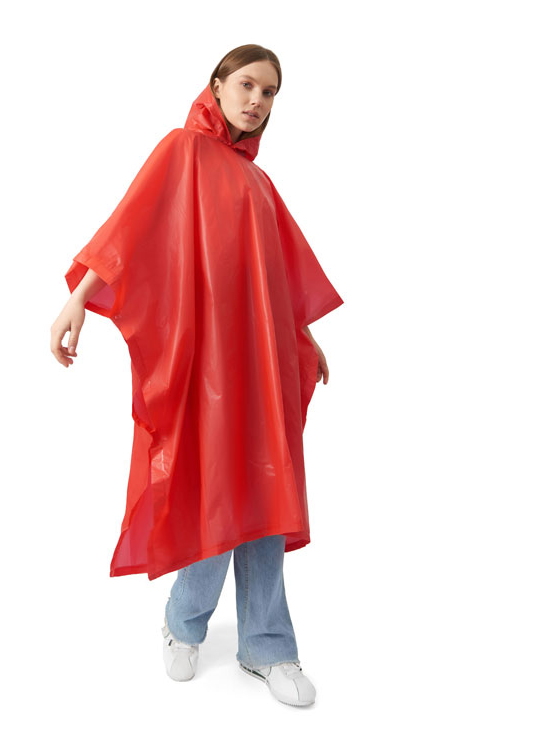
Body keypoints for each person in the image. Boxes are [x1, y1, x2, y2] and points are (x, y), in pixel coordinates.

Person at [51, 45, 343, 707]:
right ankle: (184, 623)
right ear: (216, 85)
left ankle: (268, 645)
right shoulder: (181, 150)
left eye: (270, 92)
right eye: (247, 85)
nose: (257, 101)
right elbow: (129, 227)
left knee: (267, 488)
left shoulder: (258, 184)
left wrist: (304, 336)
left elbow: (273, 276)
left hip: (262, 360)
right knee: (215, 485)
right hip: (206, 358)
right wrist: (78, 301)